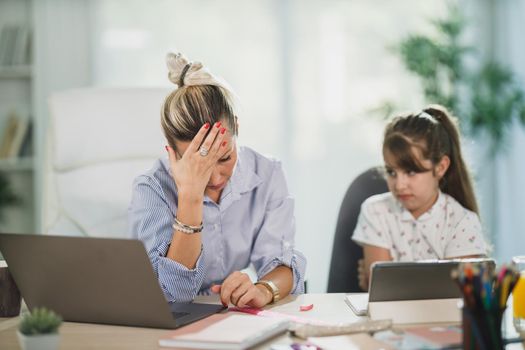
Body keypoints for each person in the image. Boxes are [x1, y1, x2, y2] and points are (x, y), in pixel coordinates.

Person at [128, 53, 306, 308]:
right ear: (173, 152)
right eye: (199, 164)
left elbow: (282, 262)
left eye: (224, 158)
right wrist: (190, 195)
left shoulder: (267, 174)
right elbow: (168, 297)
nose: (214, 178)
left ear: (236, 127)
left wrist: (263, 289)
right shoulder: (151, 189)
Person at [352, 105, 487, 291]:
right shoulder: (375, 211)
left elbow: (458, 296)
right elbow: (381, 291)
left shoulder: (462, 222)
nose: (399, 185)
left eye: (411, 171)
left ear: (440, 167)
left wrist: (393, 278)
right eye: (391, 171)